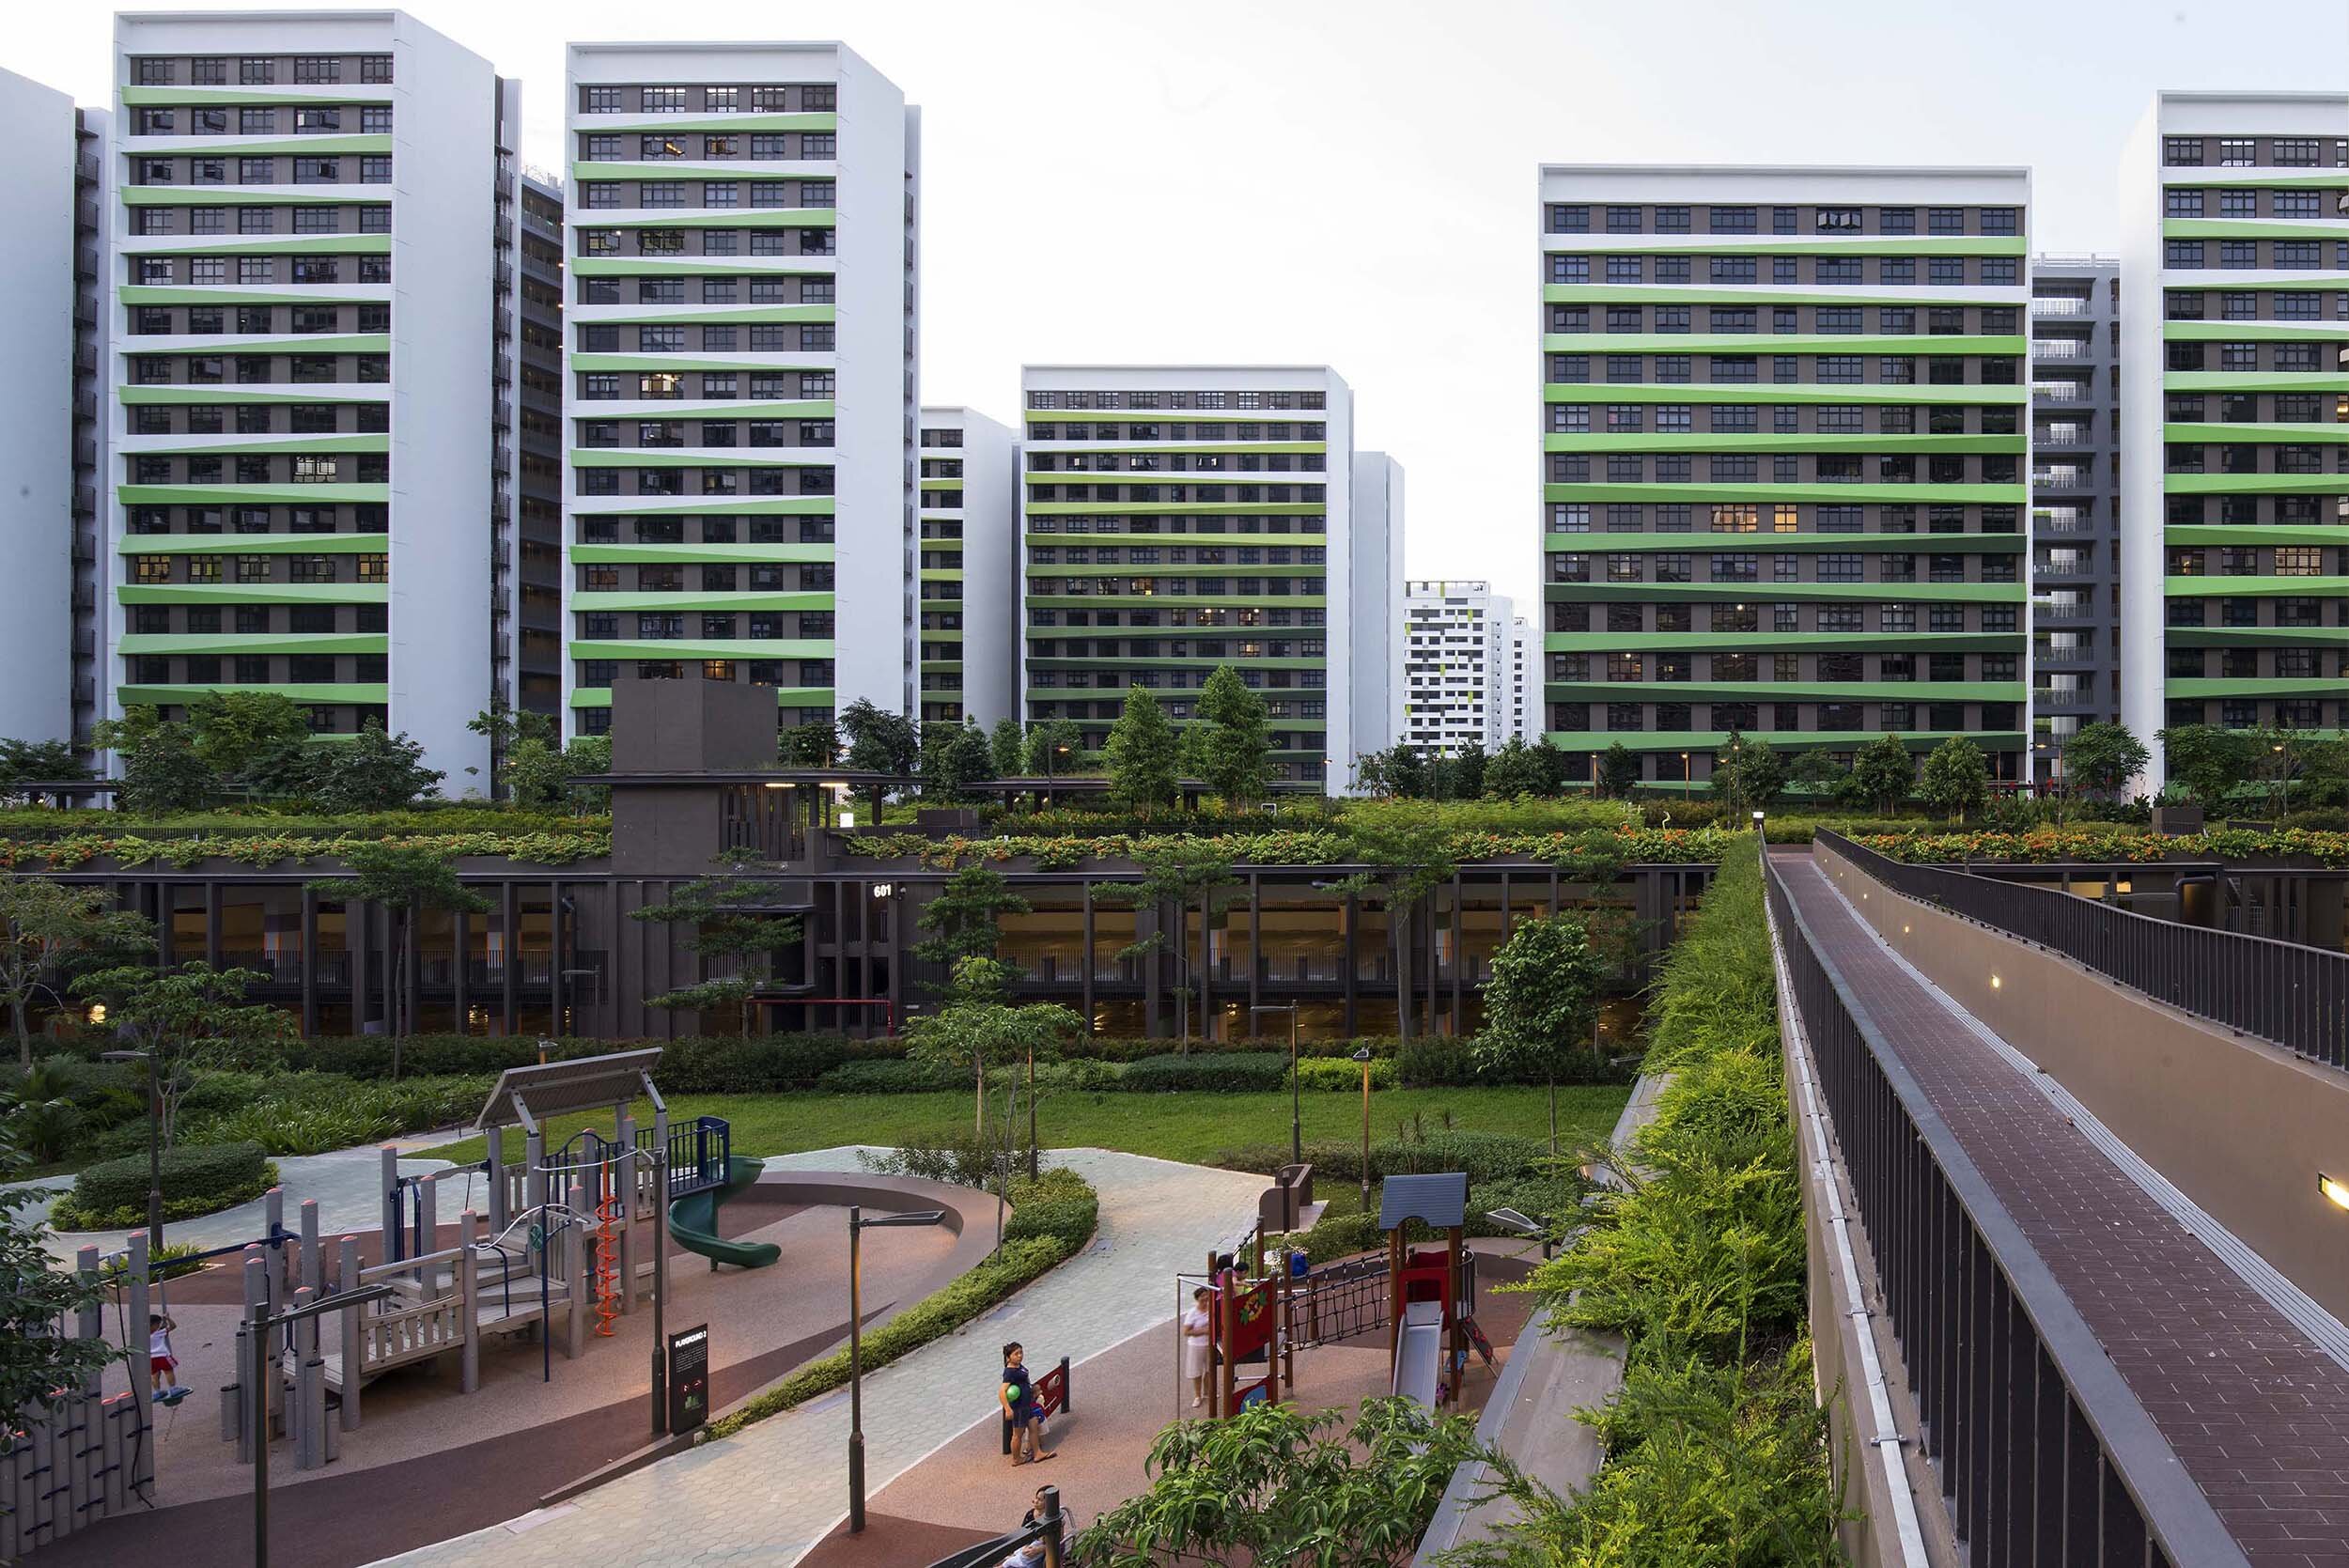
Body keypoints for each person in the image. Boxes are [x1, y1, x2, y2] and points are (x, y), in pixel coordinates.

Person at [999, 1342, 1055, 1466]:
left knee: (1033, 1426)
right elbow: (1002, 1391)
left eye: (1021, 1352)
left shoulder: (1019, 1366)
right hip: (1019, 1407)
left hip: (1027, 1404)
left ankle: (1037, 1453)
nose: (1020, 1356)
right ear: (1009, 1357)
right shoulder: (1010, 1372)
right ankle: (1016, 1459)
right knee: (1017, 1435)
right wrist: (1008, 1409)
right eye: (1016, 1354)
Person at [148, 1312, 191, 1405]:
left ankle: (157, 1392)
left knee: (155, 1375)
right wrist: (168, 1319)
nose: (159, 1327)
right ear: (154, 1325)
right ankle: (173, 1388)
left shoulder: (144, 1336)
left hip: (151, 1358)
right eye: (158, 1325)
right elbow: (173, 1326)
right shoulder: (158, 1333)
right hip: (162, 1355)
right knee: (168, 1371)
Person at [1181, 1286, 1213, 1407]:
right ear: (1197, 1298)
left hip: (1209, 1345)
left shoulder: (1211, 1309)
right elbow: (1186, 1332)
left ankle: (1207, 1392)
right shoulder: (1192, 1313)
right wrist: (1204, 1331)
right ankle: (1197, 1396)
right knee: (1197, 1372)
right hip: (1196, 1346)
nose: (1205, 1298)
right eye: (1202, 1296)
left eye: (1206, 1295)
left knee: (1210, 1370)